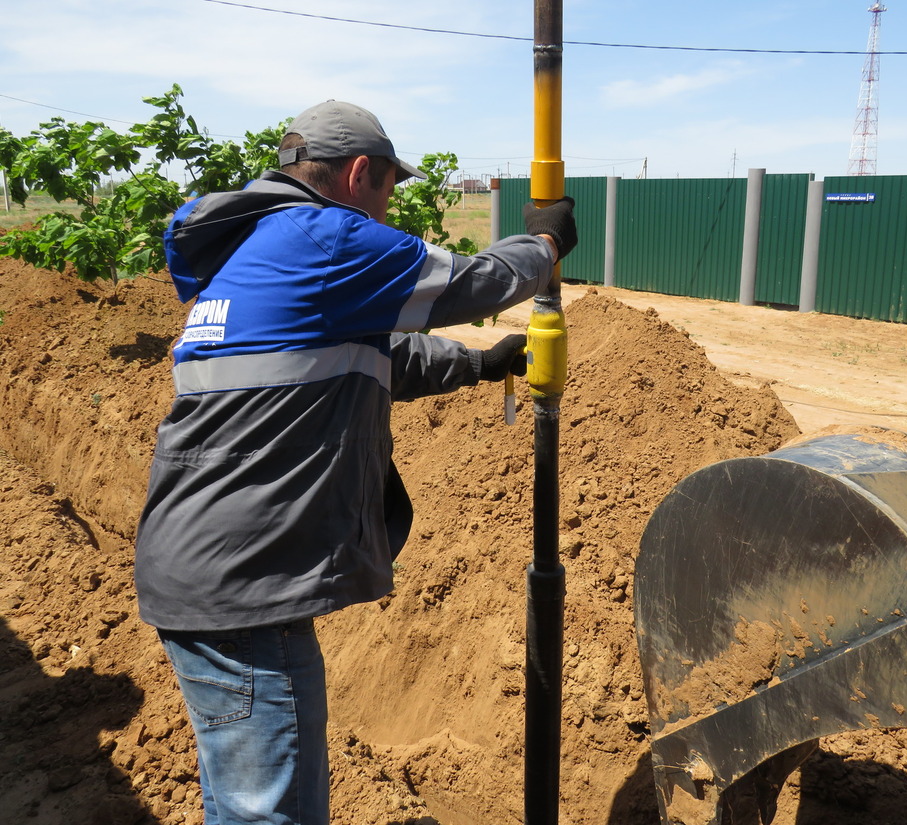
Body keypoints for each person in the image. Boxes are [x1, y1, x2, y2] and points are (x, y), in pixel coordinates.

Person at [133, 100, 577, 825]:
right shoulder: (326, 237)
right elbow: (470, 282)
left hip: (207, 572)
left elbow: (371, 355)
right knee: (273, 812)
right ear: (360, 173)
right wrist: (545, 244)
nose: (388, 207)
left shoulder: (259, 249)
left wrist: (477, 364)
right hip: (246, 587)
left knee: (243, 803)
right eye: (388, 190)